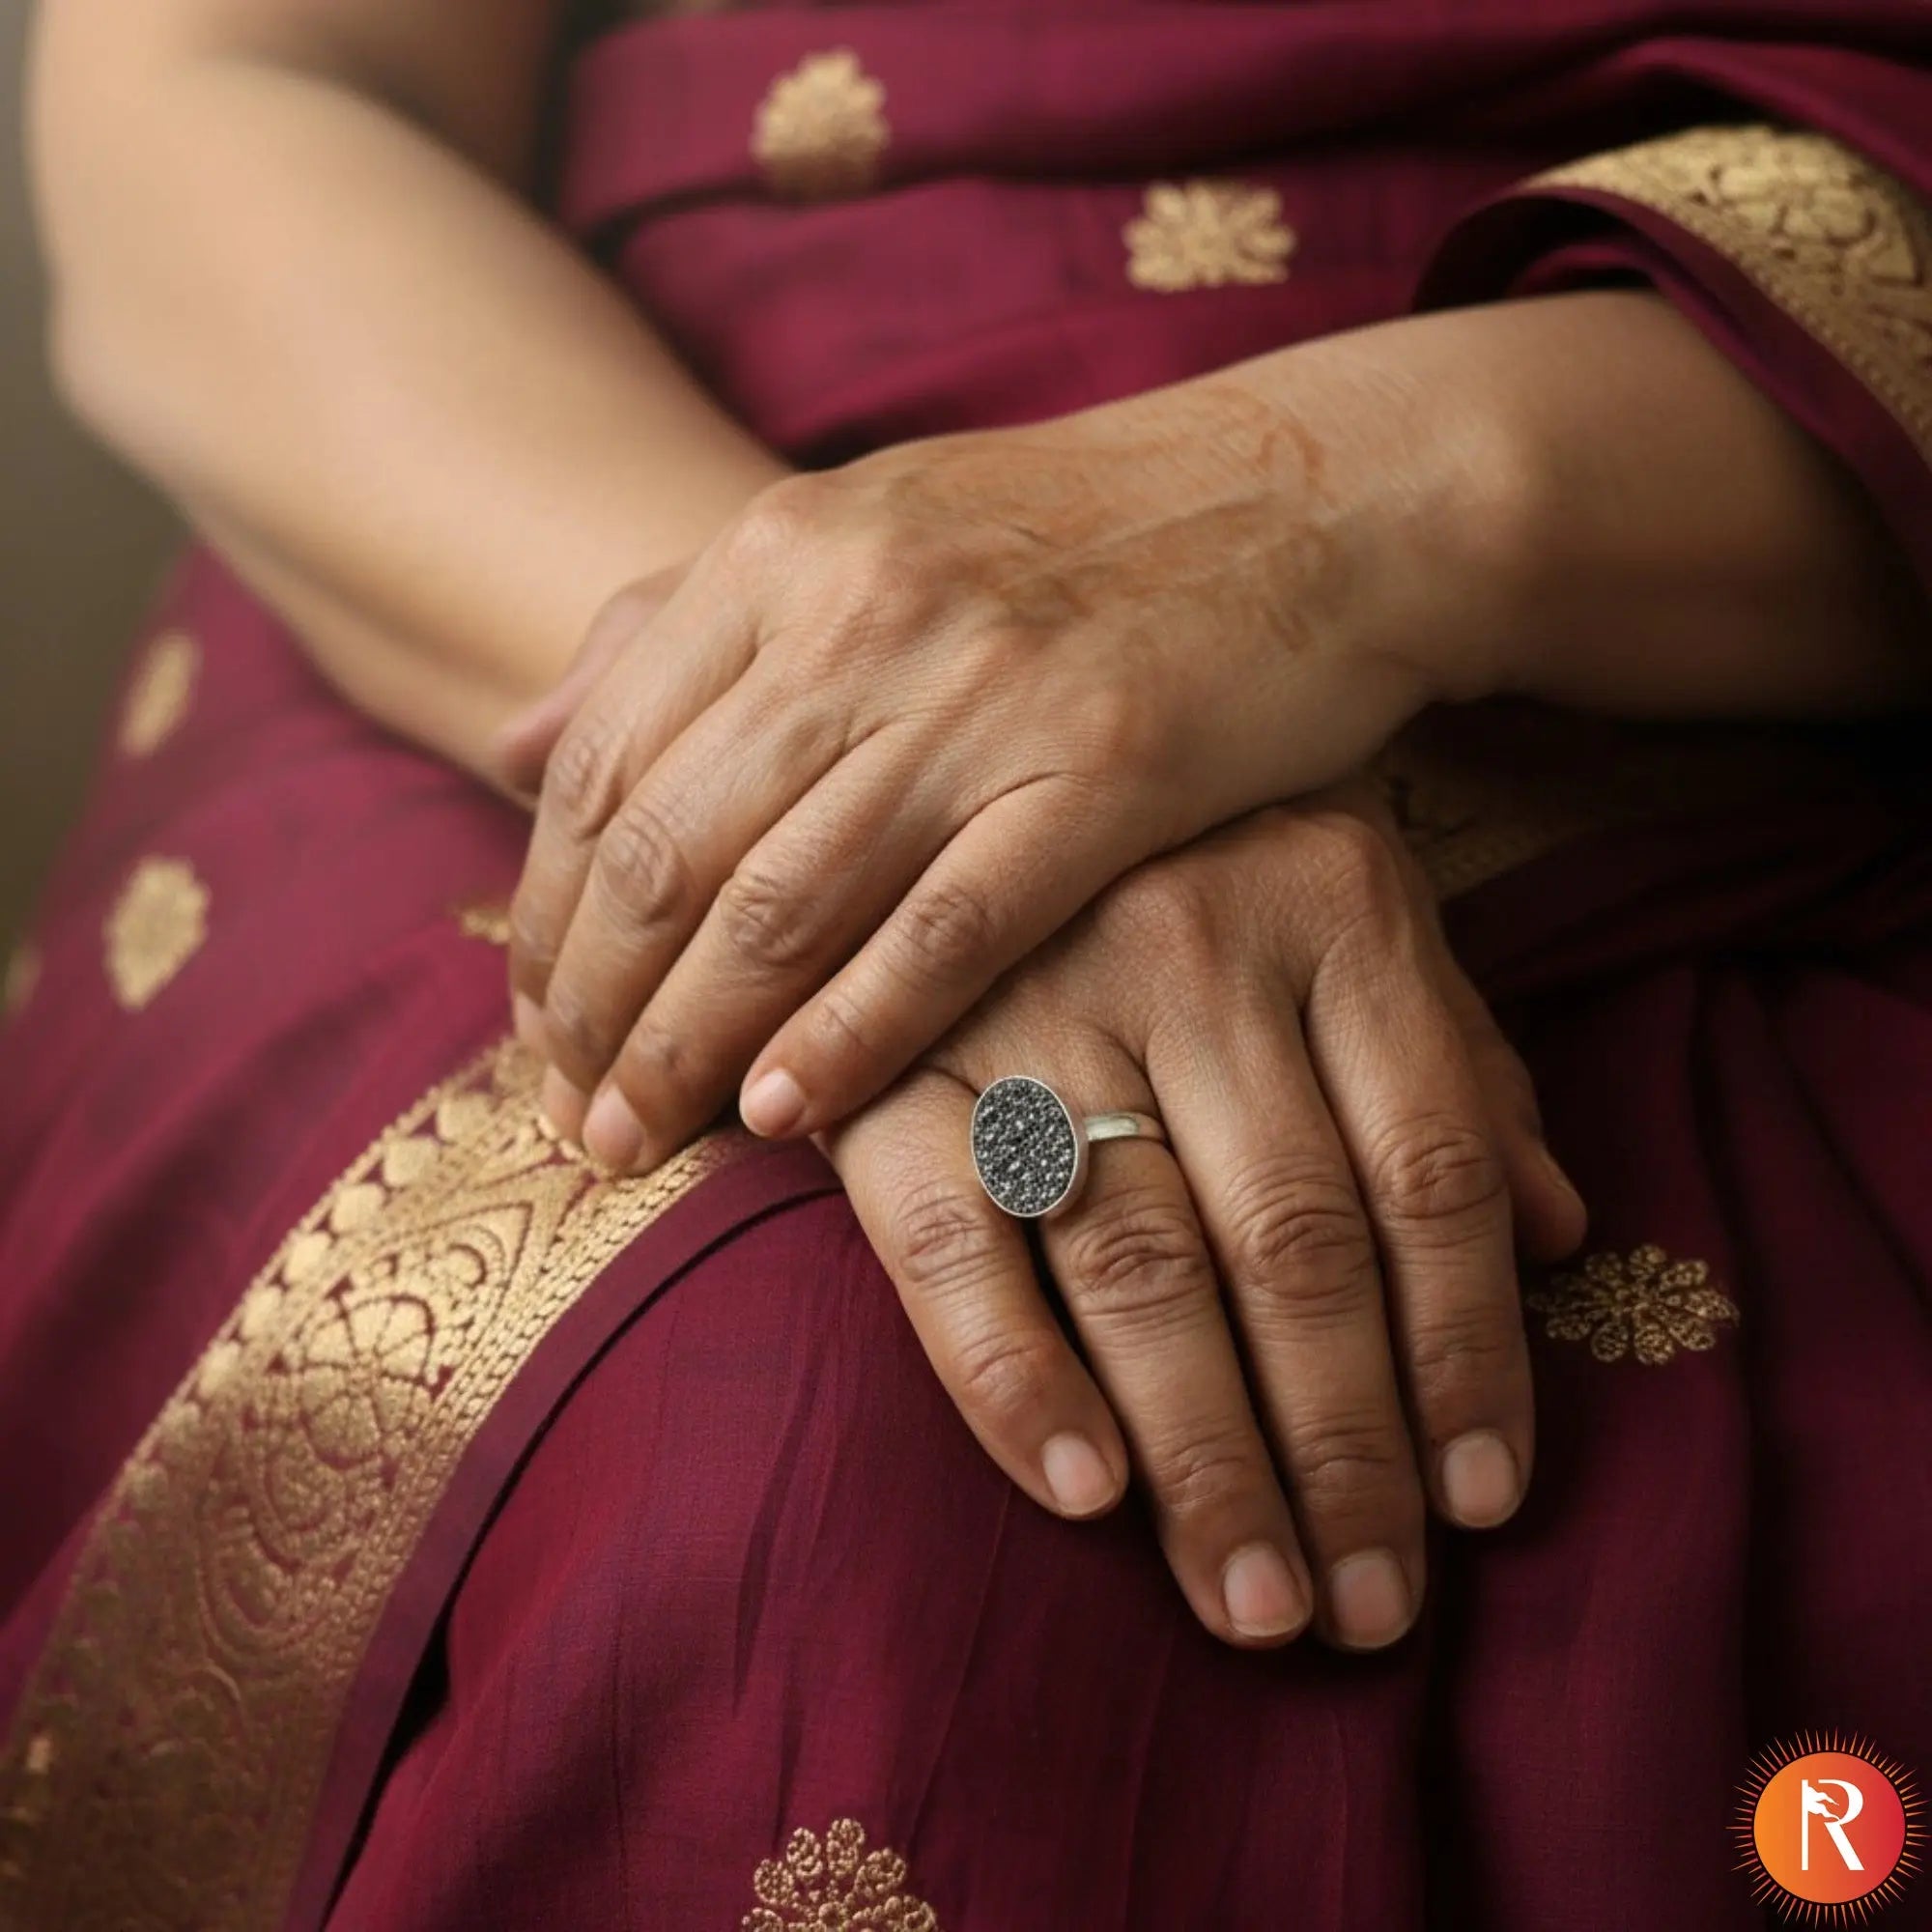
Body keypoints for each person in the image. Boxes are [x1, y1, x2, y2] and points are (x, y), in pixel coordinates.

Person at [1, 0, 1927, 1924]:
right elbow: (226, 94)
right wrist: (844, 744)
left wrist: (1325, 505)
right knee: (796, 1426)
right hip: (571, 502)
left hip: (1748, 500)